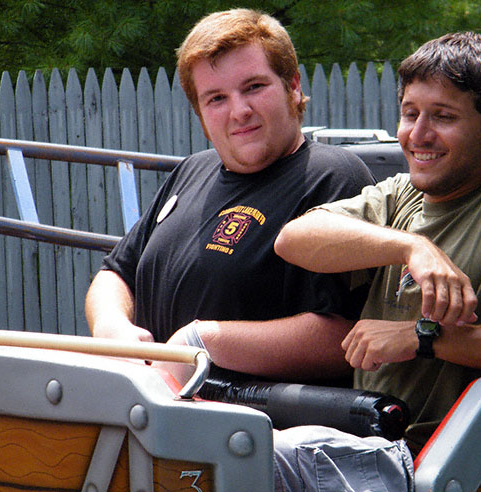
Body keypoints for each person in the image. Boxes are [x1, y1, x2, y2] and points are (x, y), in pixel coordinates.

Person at [273, 31, 481, 491]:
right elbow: (294, 238)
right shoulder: (400, 194)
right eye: (410, 114)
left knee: (253, 456)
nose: (418, 134)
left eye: (443, 117)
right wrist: (412, 248)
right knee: (222, 437)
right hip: (363, 441)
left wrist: (423, 338)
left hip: (434, 463)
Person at [84, 8, 376, 384]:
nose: (240, 111)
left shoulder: (332, 176)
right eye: (216, 98)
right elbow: (116, 272)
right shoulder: (191, 171)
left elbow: (347, 337)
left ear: (293, 86)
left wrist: (204, 342)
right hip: (147, 411)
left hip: (254, 433)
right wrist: (111, 325)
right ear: (201, 116)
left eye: (254, 87)